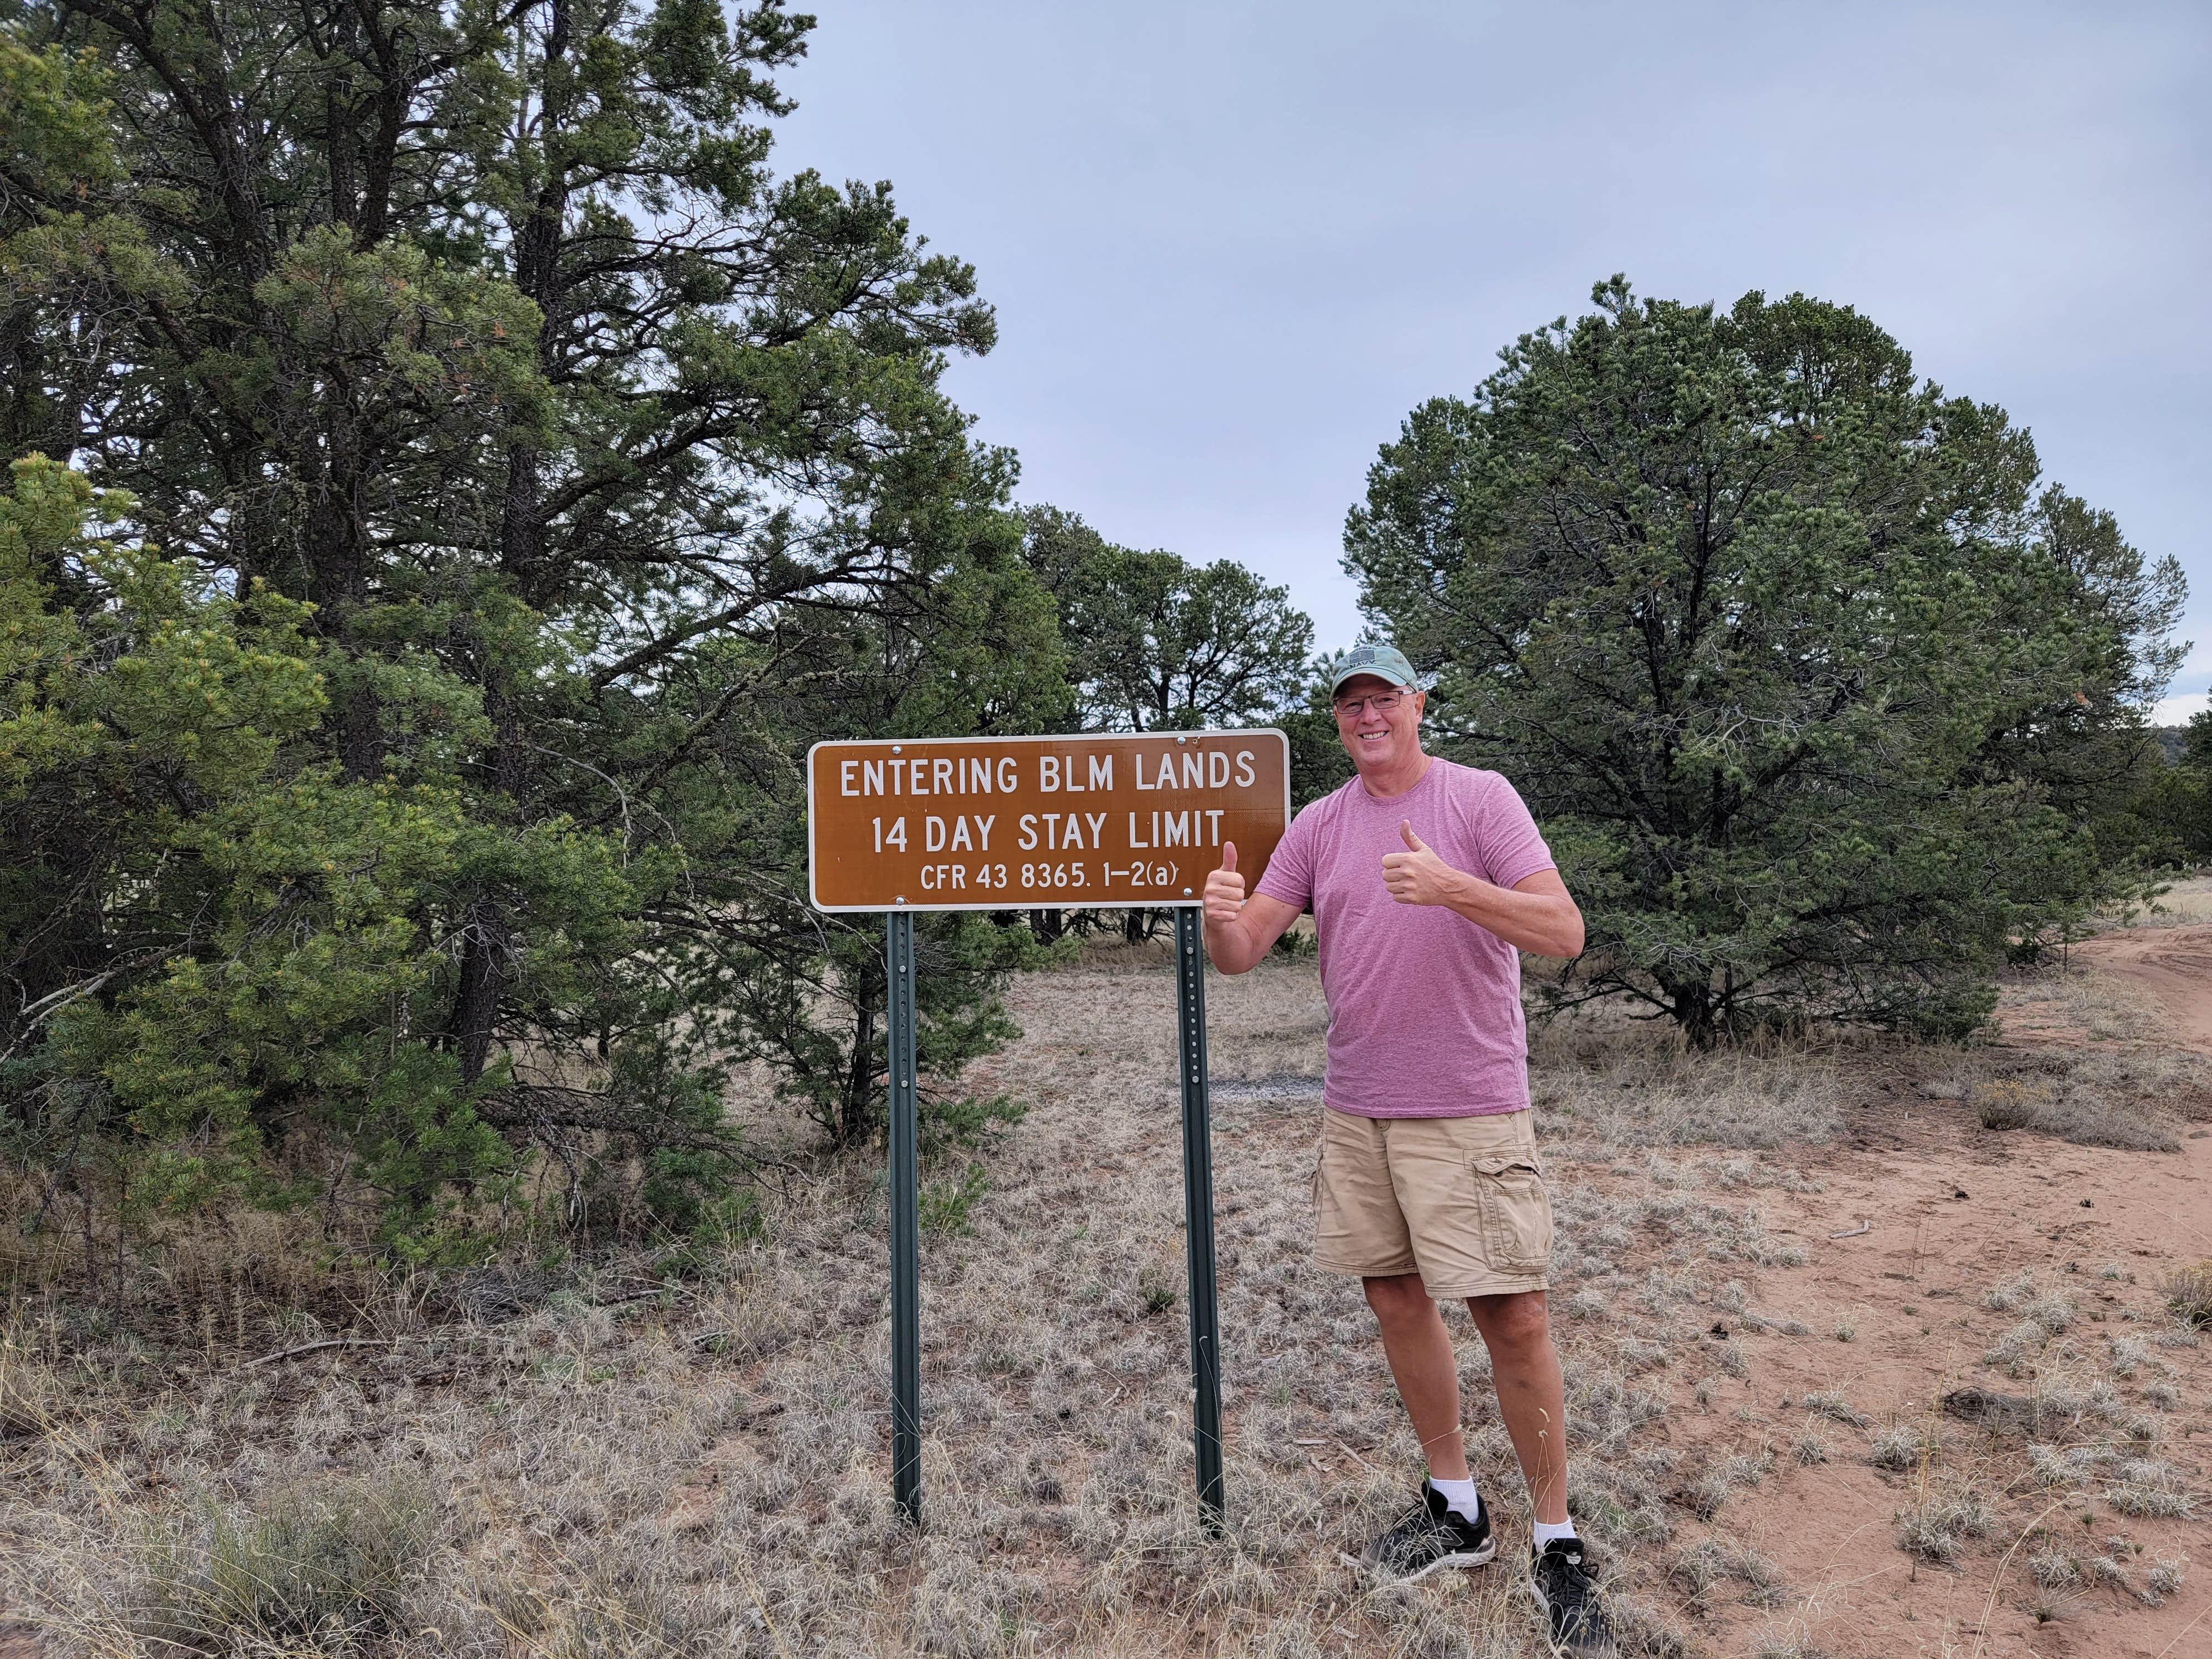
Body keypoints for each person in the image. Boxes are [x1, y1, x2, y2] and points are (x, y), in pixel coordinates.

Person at [1201, 643, 1614, 1658]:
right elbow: (1246, 950)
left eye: (1384, 696)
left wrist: (1451, 887)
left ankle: (1556, 1539)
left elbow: (1564, 930)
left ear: (1418, 704)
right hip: (1360, 1108)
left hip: (1469, 1106)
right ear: (1336, 722)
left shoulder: (1480, 800)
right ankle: (1455, 1507)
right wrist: (1216, 921)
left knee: (1512, 1317)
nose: (1368, 715)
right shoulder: (1318, 827)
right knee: (1394, 1299)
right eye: (1351, 703)